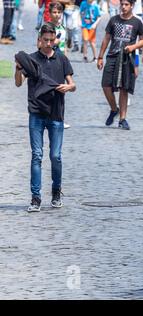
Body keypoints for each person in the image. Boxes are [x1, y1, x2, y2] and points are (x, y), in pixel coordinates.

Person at [14, 23, 76, 212]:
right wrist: (17, 69)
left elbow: (72, 84)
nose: (48, 44)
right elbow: (18, 83)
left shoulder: (62, 59)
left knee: (55, 156)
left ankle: (56, 192)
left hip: (56, 113)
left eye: (51, 40)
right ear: (39, 40)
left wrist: (69, 87)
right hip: (36, 113)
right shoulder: (31, 60)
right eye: (45, 40)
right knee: (37, 155)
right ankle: (35, 198)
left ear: (55, 39)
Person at [97, 0, 143, 130]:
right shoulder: (114, 20)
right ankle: (114, 109)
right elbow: (106, 38)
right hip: (112, 56)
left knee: (124, 89)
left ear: (132, 6)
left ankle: (122, 119)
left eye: (126, 5)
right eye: (122, 4)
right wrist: (100, 56)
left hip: (127, 59)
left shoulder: (137, 22)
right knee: (106, 85)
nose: (123, 7)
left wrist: (134, 48)